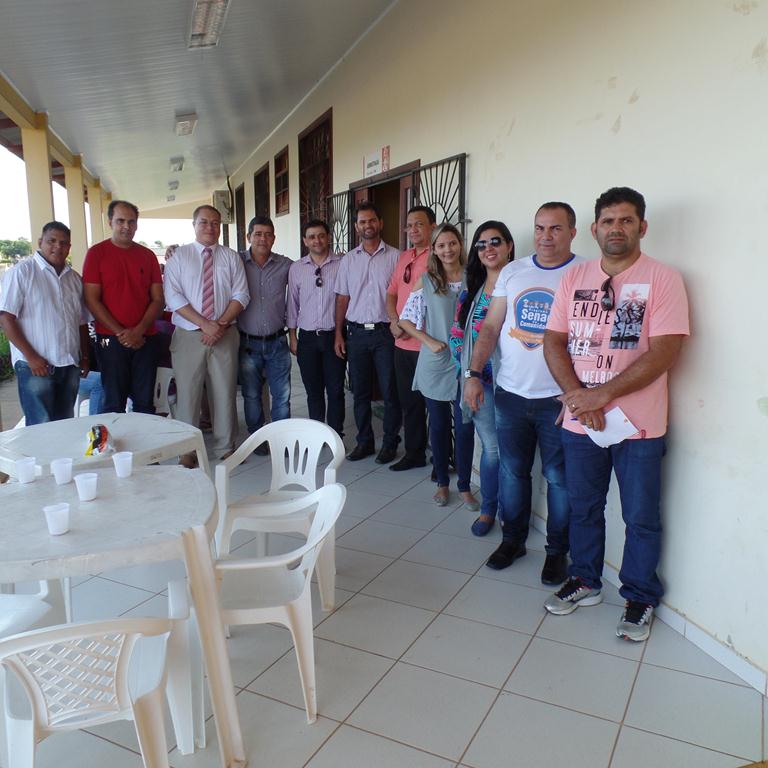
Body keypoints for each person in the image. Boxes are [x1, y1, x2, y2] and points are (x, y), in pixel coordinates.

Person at [542, 187, 689, 642]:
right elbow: (554, 340)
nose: (616, 228)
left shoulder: (663, 279)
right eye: (608, 221)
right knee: (583, 507)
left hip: (638, 426)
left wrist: (599, 396)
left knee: (640, 516)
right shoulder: (575, 277)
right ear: (594, 229)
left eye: (626, 220)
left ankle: (640, 595)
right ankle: (585, 579)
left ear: (642, 227)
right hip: (580, 421)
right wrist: (578, 397)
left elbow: (664, 352)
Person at [465, 204, 581, 582]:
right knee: (514, 473)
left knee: (559, 479)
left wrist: (577, 393)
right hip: (511, 395)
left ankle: (556, 551)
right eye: (540, 228)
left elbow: (591, 338)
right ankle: (512, 540)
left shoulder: (585, 273)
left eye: (555, 229)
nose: (546, 236)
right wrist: (473, 374)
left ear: (573, 232)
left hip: (557, 400)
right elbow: (490, 327)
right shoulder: (513, 271)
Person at [399, 224, 480, 508]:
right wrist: (429, 340)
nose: (448, 250)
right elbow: (405, 320)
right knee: (439, 424)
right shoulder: (428, 280)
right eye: (441, 245)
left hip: (467, 362)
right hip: (436, 361)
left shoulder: (475, 277)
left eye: (452, 243)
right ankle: (443, 482)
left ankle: (465, 485)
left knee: (465, 425)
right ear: (434, 249)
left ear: (460, 244)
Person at [163, 205, 249, 463]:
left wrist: (218, 325)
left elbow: (242, 294)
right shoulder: (180, 257)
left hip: (225, 334)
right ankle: (187, 451)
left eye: (214, 222)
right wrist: (204, 323)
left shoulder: (231, 257)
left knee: (224, 392)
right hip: (189, 335)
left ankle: (225, 447)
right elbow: (173, 296)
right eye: (204, 222)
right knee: (187, 394)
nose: (209, 227)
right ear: (194, 225)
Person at [451, 221, 513, 536]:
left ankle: (511, 512)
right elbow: (456, 336)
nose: (488, 248)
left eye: (495, 241)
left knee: (515, 454)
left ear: (509, 246)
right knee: (492, 450)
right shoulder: (471, 291)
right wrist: (469, 376)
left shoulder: (519, 287)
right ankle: (489, 509)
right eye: (481, 244)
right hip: (480, 385)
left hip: (514, 384)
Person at [0, 222, 89, 425]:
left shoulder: (74, 279)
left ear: (69, 247)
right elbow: (6, 318)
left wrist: (84, 356)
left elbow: (81, 321)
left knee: (64, 424)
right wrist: (32, 357)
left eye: (64, 243)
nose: (58, 246)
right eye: (52, 241)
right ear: (40, 242)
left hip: (69, 364)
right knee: (40, 426)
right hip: (36, 367)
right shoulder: (22, 272)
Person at [334, 202, 402, 463]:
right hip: (357, 334)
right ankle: (365, 442)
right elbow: (342, 298)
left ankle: (390, 442)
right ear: (356, 226)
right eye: (362, 221)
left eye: (372, 220)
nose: (368, 225)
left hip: (386, 334)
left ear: (380, 223)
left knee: (390, 390)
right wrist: (338, 334)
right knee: (360, 392)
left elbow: (403, 296)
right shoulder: (348, 260)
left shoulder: (396, 257)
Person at [82, 200, 164, 414]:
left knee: (145, 402)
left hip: (145, 338)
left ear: (137, 224)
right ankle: (114, 438)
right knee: (113, 402)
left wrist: (138, 331)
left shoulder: (147, 256)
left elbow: (158, 299)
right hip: (109, 338)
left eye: (131, 221)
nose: (126, 226)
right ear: (110, 222)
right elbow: (91, 299)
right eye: (120, 221)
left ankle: (143, 438)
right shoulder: (96, 254)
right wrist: (122, 333)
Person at [385, 205, 436, 471]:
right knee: (409, 401)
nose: (413, 229)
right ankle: (414, 453)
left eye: (419, 224)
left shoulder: (438, 255)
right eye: (410, 225)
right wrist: (395, 321)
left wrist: (409, 326)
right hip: (401, 342)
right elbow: (391, 293)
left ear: (432, 227)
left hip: (426, 343)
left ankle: (442, 459)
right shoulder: (404, 256)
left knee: (435, 404)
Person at [237, 216, 292, 450]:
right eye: (258, 234)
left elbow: (310, 270)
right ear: (248, 237)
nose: (263, 239)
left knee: (282, 395)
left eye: (268, 234)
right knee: (251, 395)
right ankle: (257, 439)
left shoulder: (285, 265)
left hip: (277, 341)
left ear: (274, 238)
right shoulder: (236, 262)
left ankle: (280, 440)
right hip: (247, 343)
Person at [287, 219, 345, 436]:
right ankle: (318, 436)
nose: (317, 240)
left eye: (321, 235)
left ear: (328, 237)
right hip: (308, 338)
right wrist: (293, 337)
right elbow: (292, 304)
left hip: (334, 337)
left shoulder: (342, 264)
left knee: (336, 390)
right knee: (314, 392)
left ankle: (336, 435)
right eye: (311, 237)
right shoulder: (296, 268)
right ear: (305, 241)